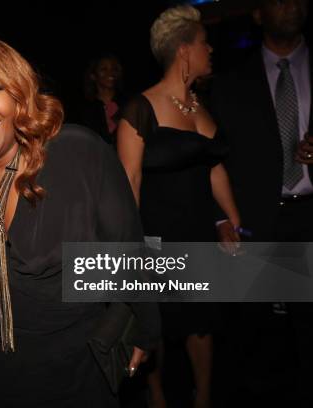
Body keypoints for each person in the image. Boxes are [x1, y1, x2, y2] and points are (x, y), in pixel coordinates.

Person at [0, 36, 160, 408]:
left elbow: (129, 248)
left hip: (77, 368)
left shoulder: (76, 151)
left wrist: (144, 331)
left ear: (19, 92)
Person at [117, 5, 241, 408]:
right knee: (160, 325)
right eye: (205, 43)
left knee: (202, 324)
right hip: (157, 236)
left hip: (199, 233)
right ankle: (156, 398)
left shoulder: (203, 107)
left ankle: (202, 397)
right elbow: (129, 182)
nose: (211, 51)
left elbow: (214, 168)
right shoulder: (140, 109)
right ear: (185, 49)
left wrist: (230, 219)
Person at [209, 0, 312, 405]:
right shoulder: (232, 80)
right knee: (256, 332)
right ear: (257, 14)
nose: (290, 5)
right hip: (255, 216)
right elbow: (217, 156)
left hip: (311, 212)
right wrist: (221, 216)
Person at [81, 54, 127, 145]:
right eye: (104, 69)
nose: (110, 73)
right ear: (93, 76)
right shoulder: (85, 108)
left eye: (114, 69)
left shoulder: (128, 103)